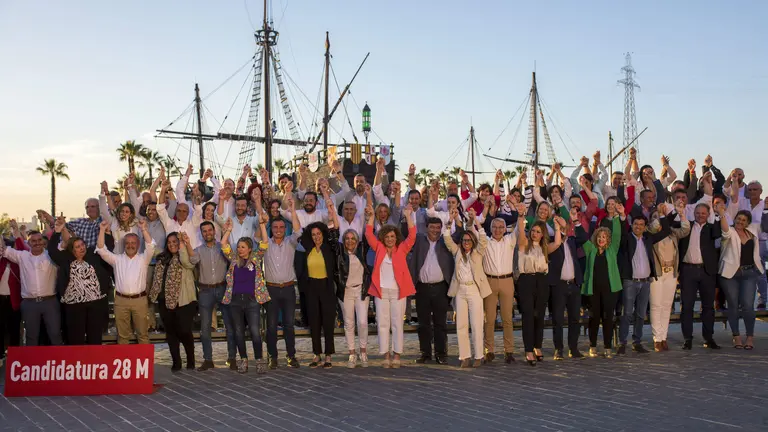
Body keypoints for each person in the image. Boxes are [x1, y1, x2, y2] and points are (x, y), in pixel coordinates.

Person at [365, 204, 416, 368]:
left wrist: (408, 216)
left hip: (398, 292)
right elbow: (368, 233)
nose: (389, 239)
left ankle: (397, 355)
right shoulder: (378, 247)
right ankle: (385, 354)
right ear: (383, 237)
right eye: (387, 236)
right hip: (381, 292)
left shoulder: (402, 249)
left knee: (397, 323)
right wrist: (372, 217)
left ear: (396, 238)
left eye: (392, 236)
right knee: (382, 323)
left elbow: (413, 236)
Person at [616, 203, 671, 355]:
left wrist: (661, 215)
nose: (638, 227)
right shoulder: (627, 239)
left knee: (640, 314)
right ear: (632, 225)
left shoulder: (648, 238)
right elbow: (620, 232)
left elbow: (666, 231)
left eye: (641, 224)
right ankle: (622, 343)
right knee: (627, 313)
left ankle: (637, 342)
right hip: (630, 281)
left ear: (645, 226)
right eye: (635, 224)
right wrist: (622, 216)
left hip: (646, 282)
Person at [47, 216, 111, 345]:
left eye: (82, 245)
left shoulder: (93, 255)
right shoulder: (65, 259)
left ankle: (94, 362)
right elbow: (52, 251)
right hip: (74, 305)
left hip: (94, 303)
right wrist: (57, 231)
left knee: (95, 336)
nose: (81, 248)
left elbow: (106, 246)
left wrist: (104, 231)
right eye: (77, 246)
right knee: (75, 337)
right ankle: (77, 363)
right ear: (72, 249)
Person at [220, 216, 271, 374]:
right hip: (235, 301)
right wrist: (228, 230)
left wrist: (262, 225)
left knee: (255, 332)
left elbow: (264, 244)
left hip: (251, 301)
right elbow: (223, 245)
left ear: (249, 248)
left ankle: (259, 360)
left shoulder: (255, 258)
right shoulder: (234, 260)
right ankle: (243, 359)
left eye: (243, 247)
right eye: (239, 247)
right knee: (238, 332)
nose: (240, 249)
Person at [515, 204, 564, 366]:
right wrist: (521, 215)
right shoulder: (523, 244)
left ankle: (537, 346)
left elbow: (557, 243)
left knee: (539, 316)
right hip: (526, 281)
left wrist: (557, 227)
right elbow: (521, 231)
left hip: (542, 281)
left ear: (543, 234)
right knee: (528, 316)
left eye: (538, 232)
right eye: (533, 231)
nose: (535, 234)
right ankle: (528, 349)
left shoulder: (544, 248)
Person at [443, 208, 491, 368]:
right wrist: (449, 223)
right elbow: (447, 239)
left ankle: (478, 355)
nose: (466, 243)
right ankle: (465, 356)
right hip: (460, 291)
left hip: (474, 290)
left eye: (469, 240)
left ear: (472, 241)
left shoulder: (478, 252)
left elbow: (483, 239)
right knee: (461, 324)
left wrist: (476, 222)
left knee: (477, 324)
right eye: (464, 241)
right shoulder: (457, 252)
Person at [95, 219, 155, 344]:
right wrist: (101, 230)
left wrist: (143, 229)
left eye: (133, 243)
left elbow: (150, 246)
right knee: (122, 337)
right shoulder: (117, 260)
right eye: (127, 243)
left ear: (138, 245)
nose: (130, 245)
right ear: (124, 245)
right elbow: (101, 249)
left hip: (140, 300)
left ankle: (143, 363)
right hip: (121, 301)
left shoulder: (143, 259)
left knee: (143, 335)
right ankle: (125, 362)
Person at [409, 216, 456, 365]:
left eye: (438, 228)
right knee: (423, 324)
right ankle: (425, 353)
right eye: (432, 227)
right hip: (422, 287)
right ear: (426, 228)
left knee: (440, 323)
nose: (435, 230)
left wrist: (454, 220)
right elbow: (407, 232)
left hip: (440, 287)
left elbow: (460, 233)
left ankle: (441, 354)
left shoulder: (445, 242)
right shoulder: (419, 241)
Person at [1, 229, 61, 346]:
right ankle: (32, 362)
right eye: (33, 241)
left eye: (39, 240)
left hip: (50, 302)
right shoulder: (22, 256)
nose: (37, 243)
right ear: (28, 243)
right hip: (29, 304)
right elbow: (4, 250)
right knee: (31, 336)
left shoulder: (51, 255)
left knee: (55, 334)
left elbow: (64, 244)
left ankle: (59, 362)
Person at [190, 221, 235, 370]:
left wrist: (227, 231)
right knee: (205, 327)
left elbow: (232, 259)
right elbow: (192, 260)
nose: (208, 233)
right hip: (205, 291)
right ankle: (208, 359)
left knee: (229, 325)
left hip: (222, 287)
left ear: (214, 231)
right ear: (201, 234)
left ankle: (232, 357)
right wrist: (186, 243)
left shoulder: (222, 247)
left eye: (210, 230)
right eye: (204, 231)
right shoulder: (198, 250)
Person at [149, 232, 198, 371]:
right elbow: (151, 246)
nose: (172, 245)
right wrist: (145, 230)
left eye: (175, 242)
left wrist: (183, 244)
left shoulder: (185, 256)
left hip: (184, 301)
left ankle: (191, 359)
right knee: (170, 333)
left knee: (184, 331)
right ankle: (176, 361)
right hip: (164, 300)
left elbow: (188, 263)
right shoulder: (162, 258)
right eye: (169, 242)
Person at [719, 207, 766, 350]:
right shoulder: (730, 232)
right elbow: (725, 230)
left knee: (747, 306)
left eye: (744, 220)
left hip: (749, 273)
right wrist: (721, 214)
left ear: (748, 223)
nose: (740, 221)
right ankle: (736, 336)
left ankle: (750, 337)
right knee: (733, 305)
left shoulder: (752, 232)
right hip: (731, 274)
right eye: (738, 219)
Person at [264, 196, 302, 369]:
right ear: (271, 229)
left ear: (284, 229)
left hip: (287, 289)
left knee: (289, 325)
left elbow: (298, 231)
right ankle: (272, 357)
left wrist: (292, 210)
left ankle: (291, 355)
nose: (278, 230)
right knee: (271, 326)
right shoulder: (266, 245)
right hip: (270, 290)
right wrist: (262, 221)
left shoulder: (290, 243)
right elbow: (260, 233)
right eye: (275, 227)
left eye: (281, 227)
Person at [678, 203, 722, 350]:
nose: (700, 215)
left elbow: (718, 233)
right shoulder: (687, 226)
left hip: (706, 271)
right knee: (687, 306)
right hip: (688, 270)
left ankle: (708, 338)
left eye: (703, 213)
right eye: (698, 213)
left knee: (708, 307)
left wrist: (716, 214)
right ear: (694, 213)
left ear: (708, 214)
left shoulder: (711, 228)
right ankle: (687, 338)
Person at [299, 209, 339, 369]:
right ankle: (317, 354)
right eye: (313, 234)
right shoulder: (307, 248)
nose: (316, 237)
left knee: (328, 323)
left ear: (323, 233)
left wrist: (330, 207)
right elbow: (297, 230)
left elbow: (335, 226)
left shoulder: (329, 248)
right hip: (311, 288)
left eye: (318, 234)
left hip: (327, 287)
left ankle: (328, 355)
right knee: (314, 322)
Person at [582, 205, 624, 358]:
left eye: (604, 237)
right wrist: (576, 222)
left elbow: (618, 234)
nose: (601, 239)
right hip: (593, 290)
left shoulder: (612, 249)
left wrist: (618, 217)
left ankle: (607, 346)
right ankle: (593, 346)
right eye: (599, 237)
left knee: (608, 318)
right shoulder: (590, 249)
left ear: (608, 239)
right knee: (594, 317)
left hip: (610, 290)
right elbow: (581, 237)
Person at [648, 200, 691, 351]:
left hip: (671, 272)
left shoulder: (672, 232)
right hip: (657, 273)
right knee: (656, 305)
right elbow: (655, 226)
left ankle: (663, 337)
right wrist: (660, 214)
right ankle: (656, 338)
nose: (659, 219)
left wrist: (681, 213)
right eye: (656, 216)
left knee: (666, 306)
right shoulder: (651, 232)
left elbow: (685, 230)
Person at [548, 207, 588, 360]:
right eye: (557, 222)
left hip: (574, 283)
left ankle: (574, 347)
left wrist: (575, 219)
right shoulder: (552, 242)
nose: (561, 224)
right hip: (559, 285)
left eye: (563, 222)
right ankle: (558, 348)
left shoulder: (572, 241)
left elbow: (584, 238)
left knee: (574, 318)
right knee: (558, 318)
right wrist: (558, 230)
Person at [481, 216, 517, 363]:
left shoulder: (509, 240)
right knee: (489, 318)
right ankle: (489, 350)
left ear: (505, 229)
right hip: (489, 281)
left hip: (507, 280)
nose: (498, 230)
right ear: (491, 228)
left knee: (507, 318)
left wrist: (520, 213)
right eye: (495, 227)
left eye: (501, 227)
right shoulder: (485, 242)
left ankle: (509, 351)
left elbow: (520, 227)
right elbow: (472, 228)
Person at [336, 226, 372, 368]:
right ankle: (352, 353)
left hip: (360, 291)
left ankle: (363, 351)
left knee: (362, 322)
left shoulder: (362, 251)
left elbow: (369, 233)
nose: (350, 241)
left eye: (353, 238)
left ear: (357, 241)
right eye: (347, 238)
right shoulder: (340, 254)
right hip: (346, 292)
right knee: (349, 323)